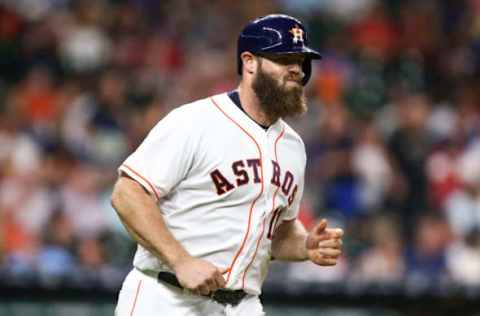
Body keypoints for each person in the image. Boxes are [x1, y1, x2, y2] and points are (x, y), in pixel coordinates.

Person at [111, 14, 344, 316]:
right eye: (284, 59)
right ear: (249, 62)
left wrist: (305, 245)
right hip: (167, 297)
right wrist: (181, 261)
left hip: (242, 305)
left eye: (301, 62)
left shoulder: (293, 147)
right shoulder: (195, 122)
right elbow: (127, 194)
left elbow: (278, 233)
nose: (296, 70)